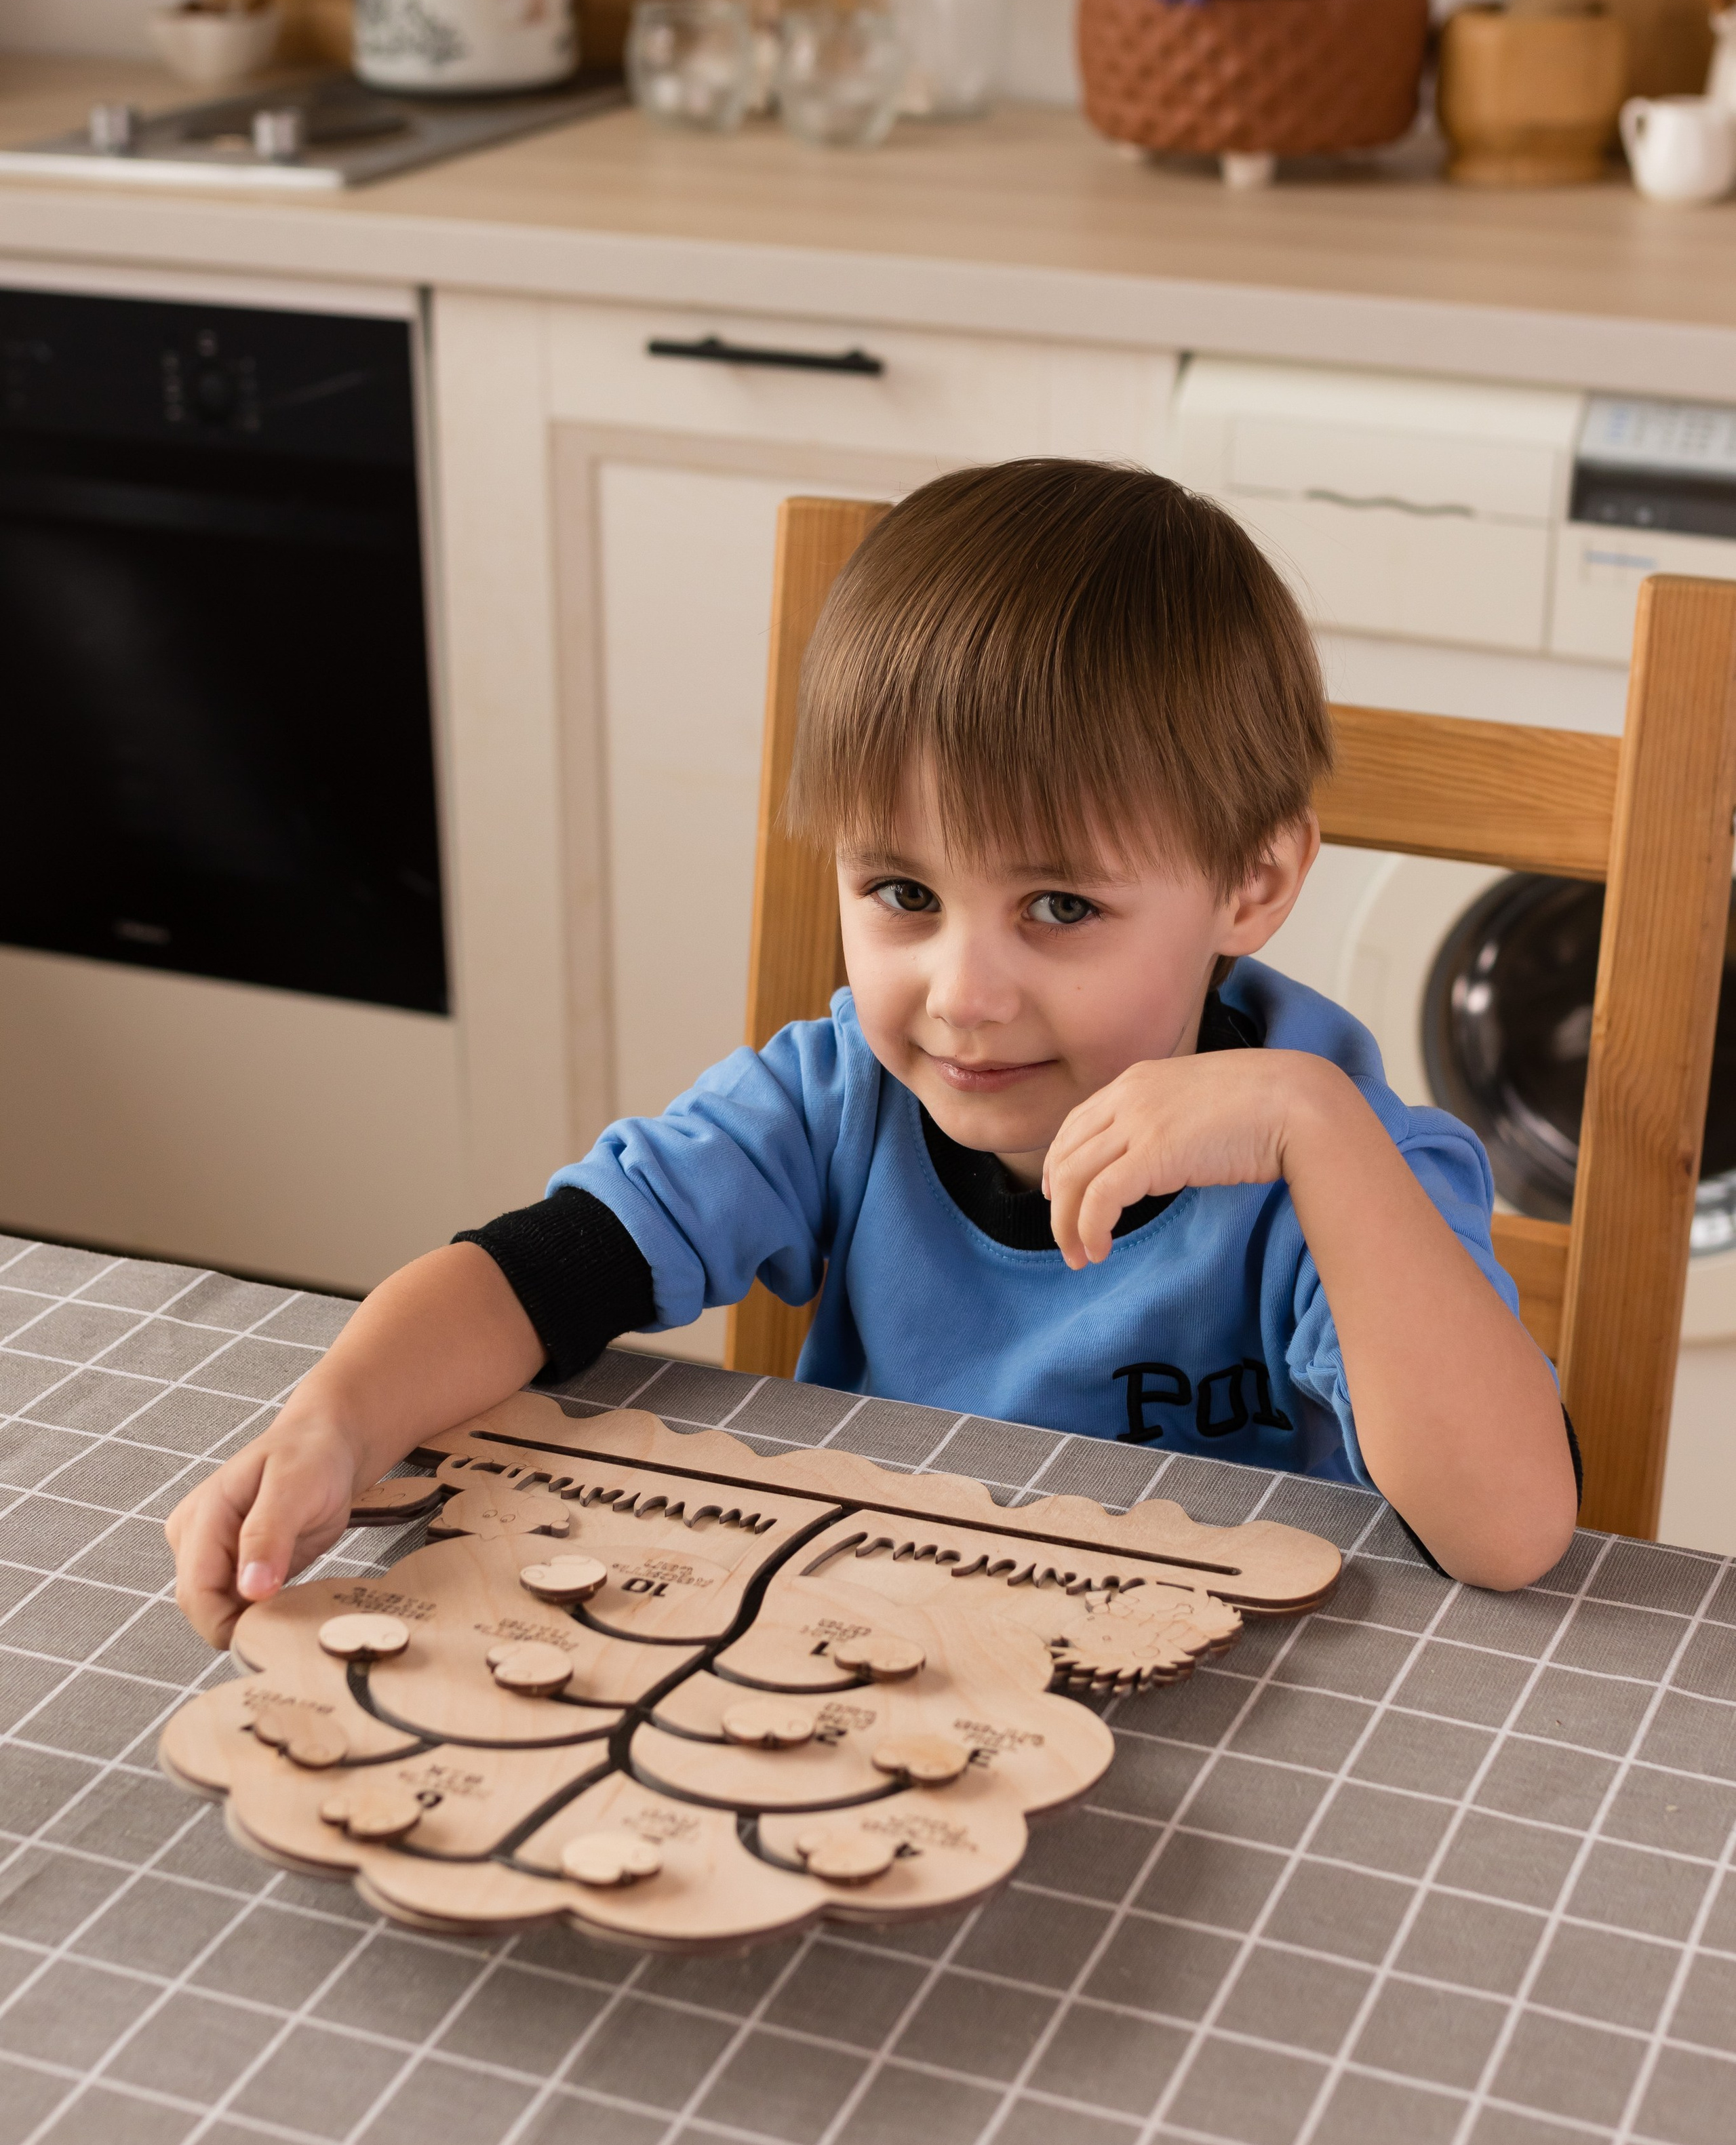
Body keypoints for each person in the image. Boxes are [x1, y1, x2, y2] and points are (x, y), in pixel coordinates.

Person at [167, 460, 1577, 1645]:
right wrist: (339, 1423)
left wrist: (1315, 1128)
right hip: (881, 1659)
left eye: (1061, 908)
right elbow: (536, 1274)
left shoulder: (1333, 1162)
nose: (961, 994)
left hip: (1235, 1715)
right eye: (902, 893)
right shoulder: (828, 1096)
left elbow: (1509, 1530)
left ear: (1253, 888)